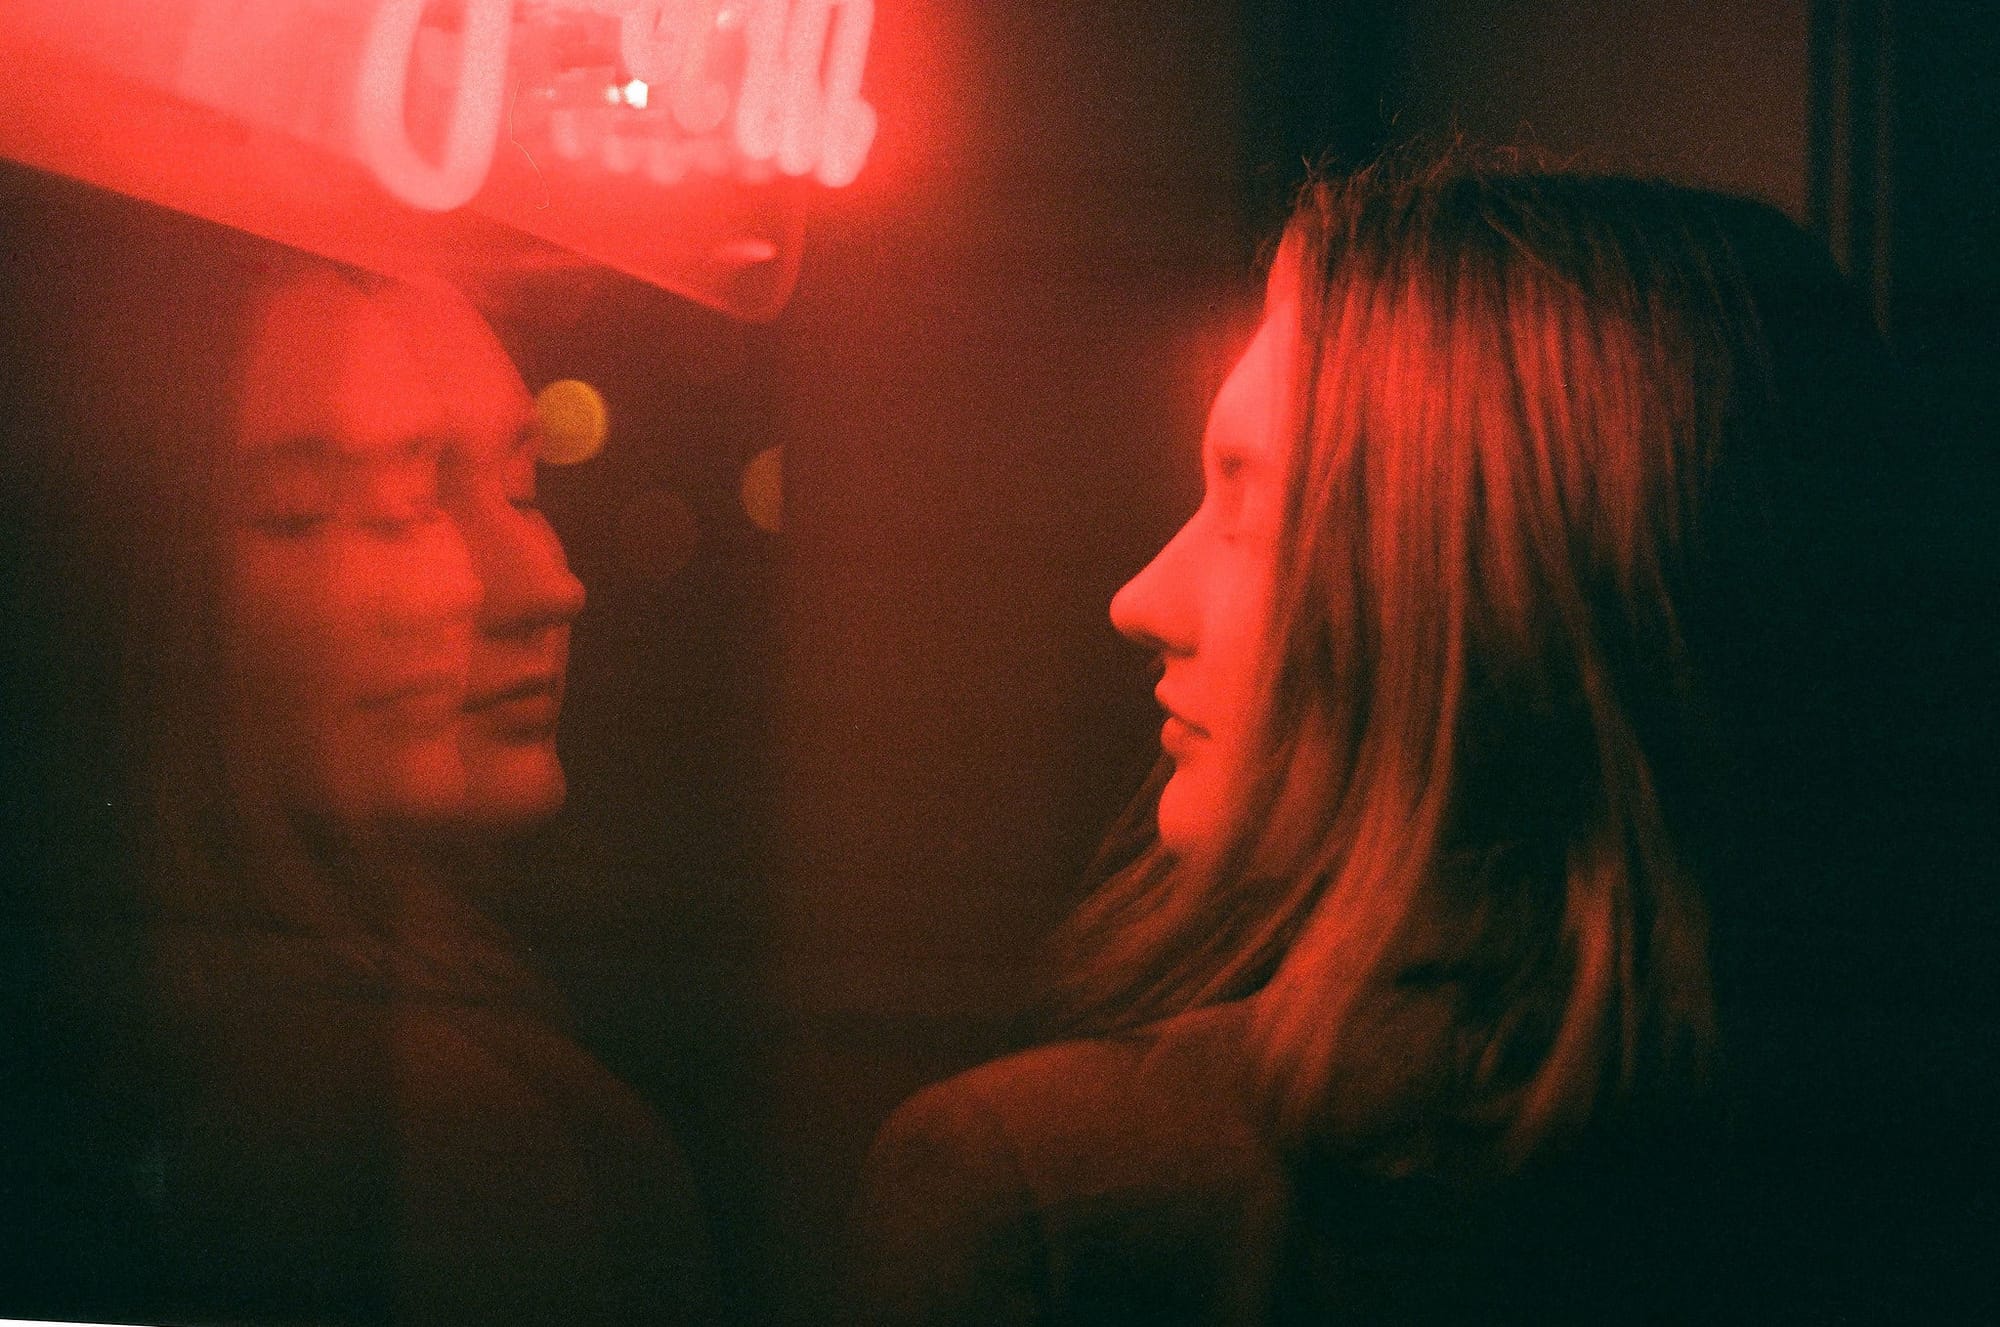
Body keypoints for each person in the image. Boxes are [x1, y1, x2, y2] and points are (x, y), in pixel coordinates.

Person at [850, 151, 1981, 1321]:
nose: (1138, 596)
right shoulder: (1907, 1160)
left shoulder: (1051, 1203)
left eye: (1243, 503)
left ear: (1492, 588)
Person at [0, 164, 715, 1324]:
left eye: (523, 485)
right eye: (317, 510)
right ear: (107, 581)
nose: (533, 587)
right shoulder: (391, 1124)